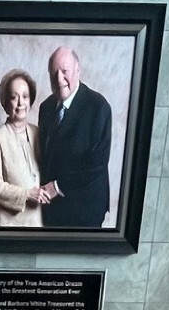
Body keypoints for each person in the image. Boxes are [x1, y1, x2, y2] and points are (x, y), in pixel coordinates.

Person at [34, 46, 113, 230]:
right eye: (53, 73)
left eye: (64, 71)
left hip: (85, 211)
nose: (59, 78)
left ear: (78, 69)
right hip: (52, 211)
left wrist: (57, 186)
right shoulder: (46, 108)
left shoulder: (98, 107)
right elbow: (45, 159)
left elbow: (97, 164)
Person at [0, 69, 46, 228]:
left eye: (25, 96)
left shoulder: (38, 132)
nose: (20, 103)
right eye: (13, 97)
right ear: (5, 102)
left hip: (35, 220)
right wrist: (26, 194)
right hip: (6, 223)